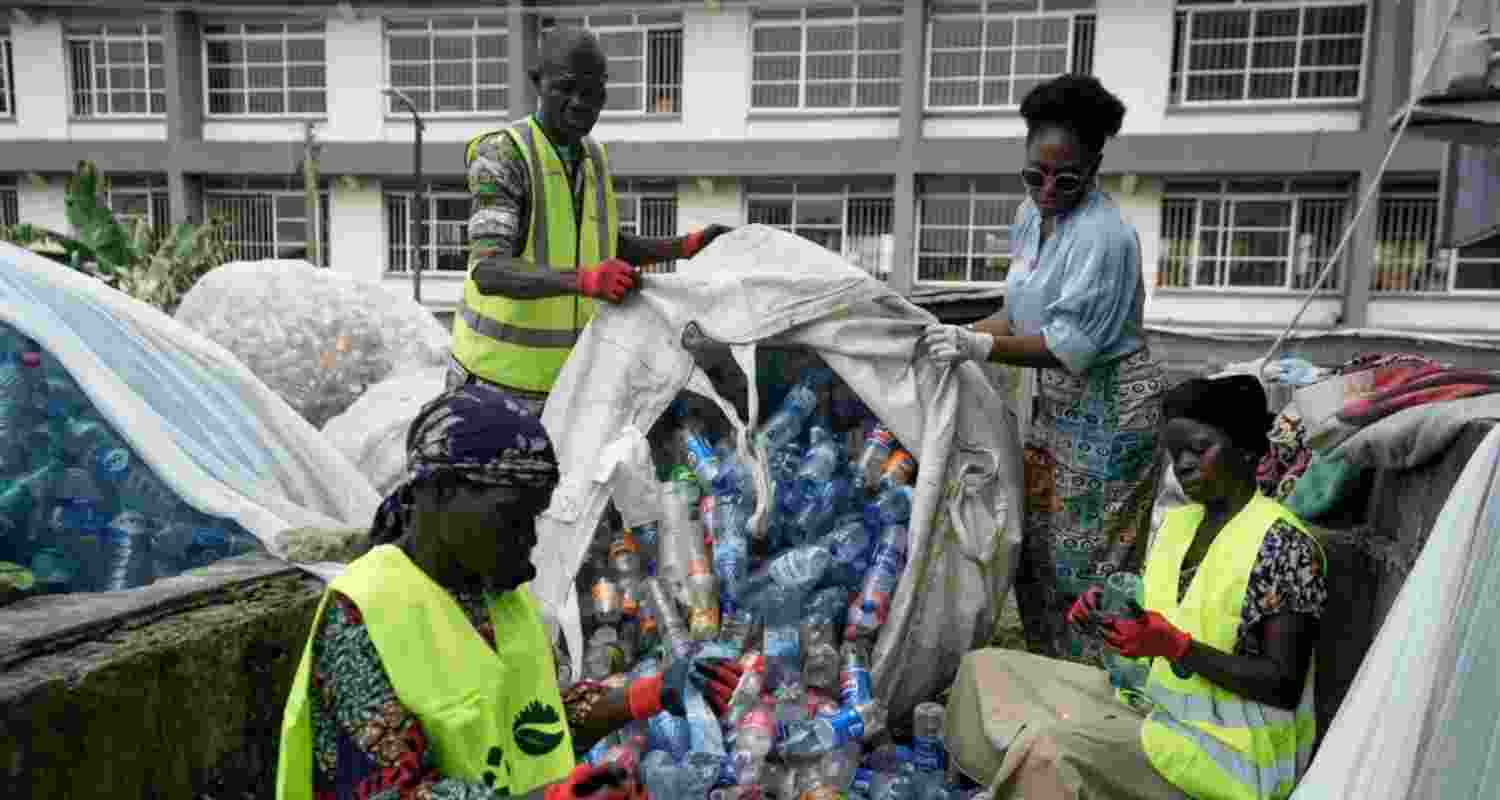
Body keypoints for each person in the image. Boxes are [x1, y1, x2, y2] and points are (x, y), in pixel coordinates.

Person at [276, 383, 743, 800]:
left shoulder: (495, 591)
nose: (530, 539)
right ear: (438, 494)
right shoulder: (364, 611)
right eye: (511, 517)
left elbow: (531, 725)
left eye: (534, 517)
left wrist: (652, 692)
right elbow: (388, 789)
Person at [943, 375, 1327, 800]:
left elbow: (1282, 684)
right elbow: (1160, 622)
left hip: (1226, 757)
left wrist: (1177, 647)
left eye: (1199, 449)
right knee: (985, 669)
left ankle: (1032, 777)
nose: (1182, 465)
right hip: (1155, 707)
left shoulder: (1283, 544)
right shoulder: (1180, 525)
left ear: (1247, 450)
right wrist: (1108, 618)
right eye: (1175, 453)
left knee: (1051, 750)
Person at [918, 74, 1163, 662]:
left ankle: (1094, 692)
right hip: (1056, 404)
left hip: (1110, 409)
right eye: (1035, 174)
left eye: (1066, 177)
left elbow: (1069, 344)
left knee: (1088, 564)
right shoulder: (1032, 219)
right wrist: (960, 334)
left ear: (1096, 164)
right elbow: (1019, 311)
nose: (1048, 188)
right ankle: (1045, 679)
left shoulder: (1105, 239)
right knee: (1038, 554)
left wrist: (977, 348)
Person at [451, 26, 734, 413]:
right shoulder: (503, 155)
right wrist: (586, 279)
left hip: (571, 385)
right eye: (565, 88)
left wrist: (686, 246)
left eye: (593, 93)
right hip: (496, 388)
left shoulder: (593, 157)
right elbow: (489, 270)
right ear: (538, 82)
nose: (580, 103)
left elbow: (601, 244)